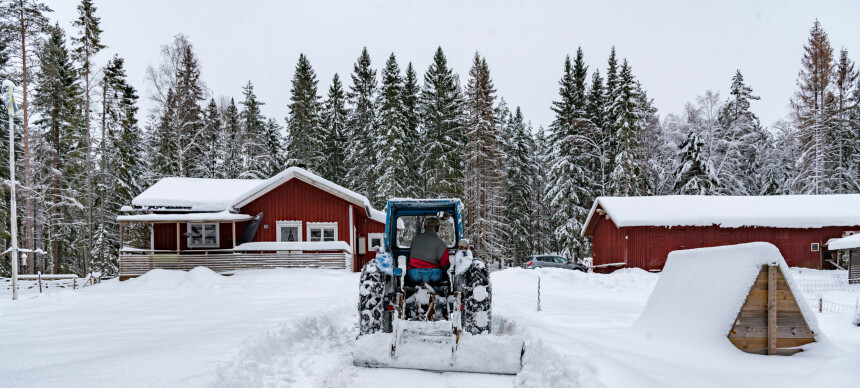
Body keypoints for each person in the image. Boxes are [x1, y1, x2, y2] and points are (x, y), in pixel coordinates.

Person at [407, 217, 450, 284]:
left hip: (414, 274)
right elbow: (444, 264)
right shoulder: (440, 242)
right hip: (435, 274)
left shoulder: (415, 239)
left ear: (425, 227)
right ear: (437, 228)